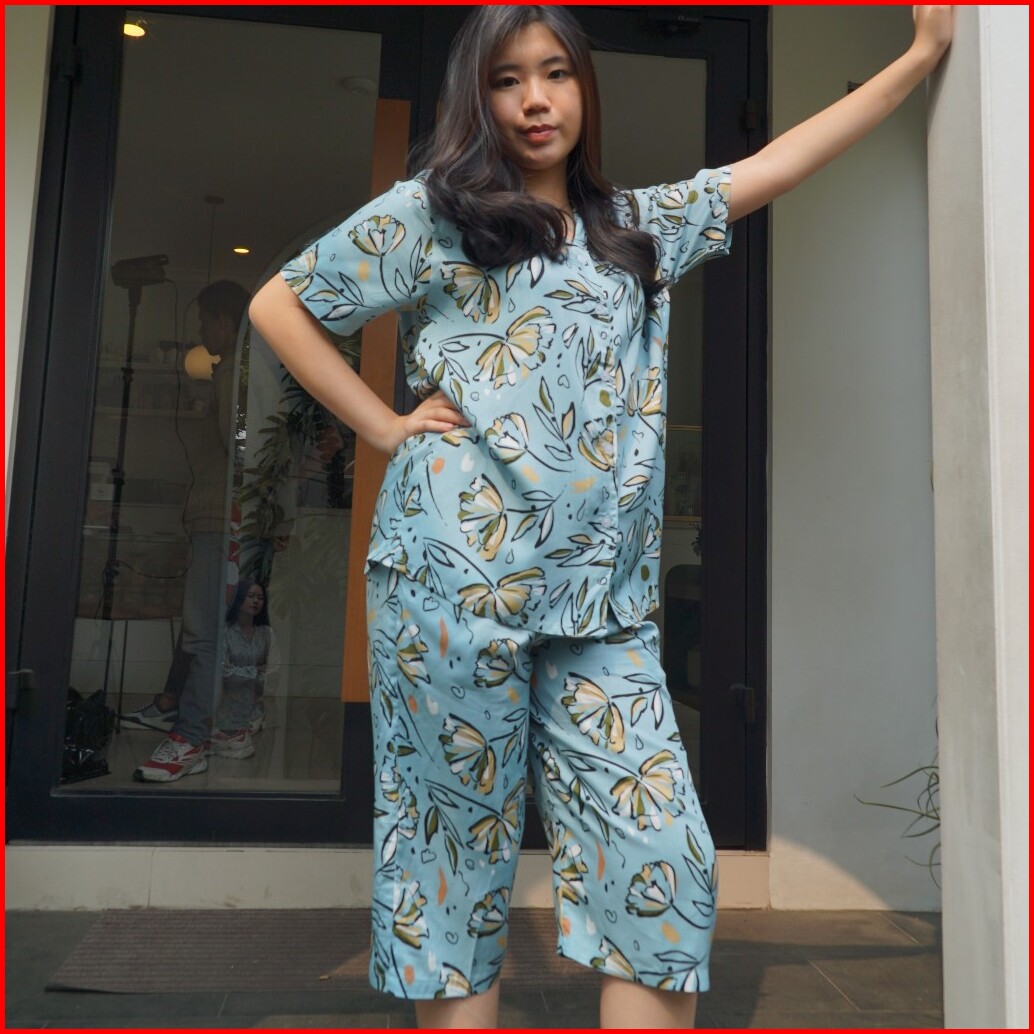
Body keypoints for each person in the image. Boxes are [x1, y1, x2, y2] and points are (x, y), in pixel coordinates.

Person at [248, 6, 953, 1027]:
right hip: (449, 588)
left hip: (602, 607)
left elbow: (777, 164)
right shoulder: (435, 213)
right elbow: (281, 305)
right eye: (506, 80)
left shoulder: (637, 228)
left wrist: (918, 59)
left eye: (555, 73)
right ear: (476, 98)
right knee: (452, 863)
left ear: (585, 86)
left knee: (662, 854)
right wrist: (387, 427)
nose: (535, 101)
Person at [134, 279, 251, 782]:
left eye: (205, 320)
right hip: (237, 518)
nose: (202, 331)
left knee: (203, 632)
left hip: (220, 517)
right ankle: (231, 728)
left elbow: (240, 444)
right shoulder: (249, 372)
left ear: (224, 320)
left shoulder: (233, 375)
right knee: (237, 631)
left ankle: (189, 738)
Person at [213, 578, 279, 752]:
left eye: (260, 598)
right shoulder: (225, 631)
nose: (256, 601)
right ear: (239, 598)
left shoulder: (267, 633)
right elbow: (222, 672)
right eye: (250, 596)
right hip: (227, 709)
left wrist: (239, 673)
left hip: (258, 711)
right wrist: (255, 670)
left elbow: (273, 673)